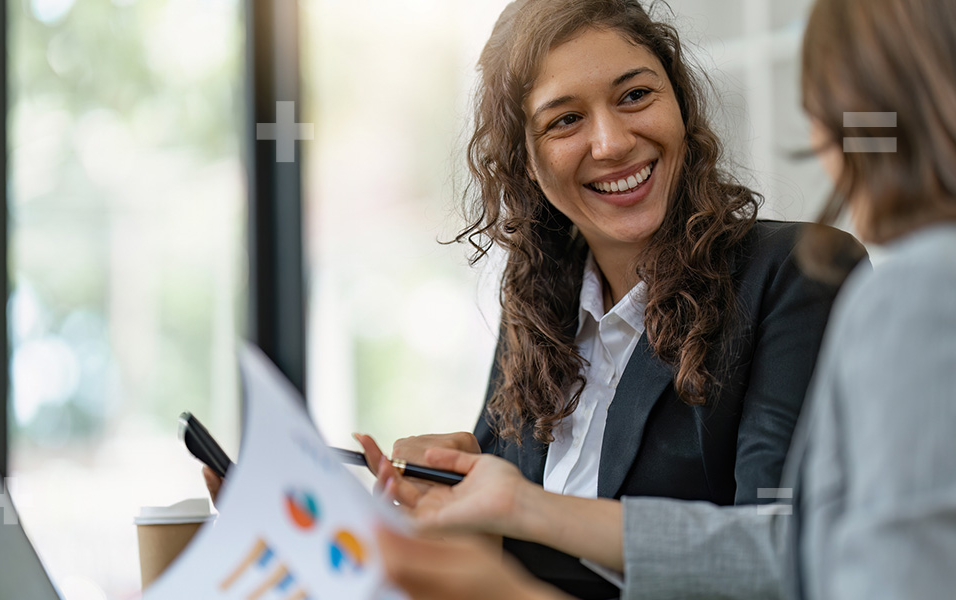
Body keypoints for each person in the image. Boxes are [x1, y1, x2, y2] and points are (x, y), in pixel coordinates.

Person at [378, 0, 956, 598]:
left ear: (680, 105)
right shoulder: (536, 307)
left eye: (634, 96)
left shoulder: (796, 273)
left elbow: (784, 555)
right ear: (524, 160)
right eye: (565, 120)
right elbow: (502, 555)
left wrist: (519, 515)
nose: (611, 143)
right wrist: (458, 497)